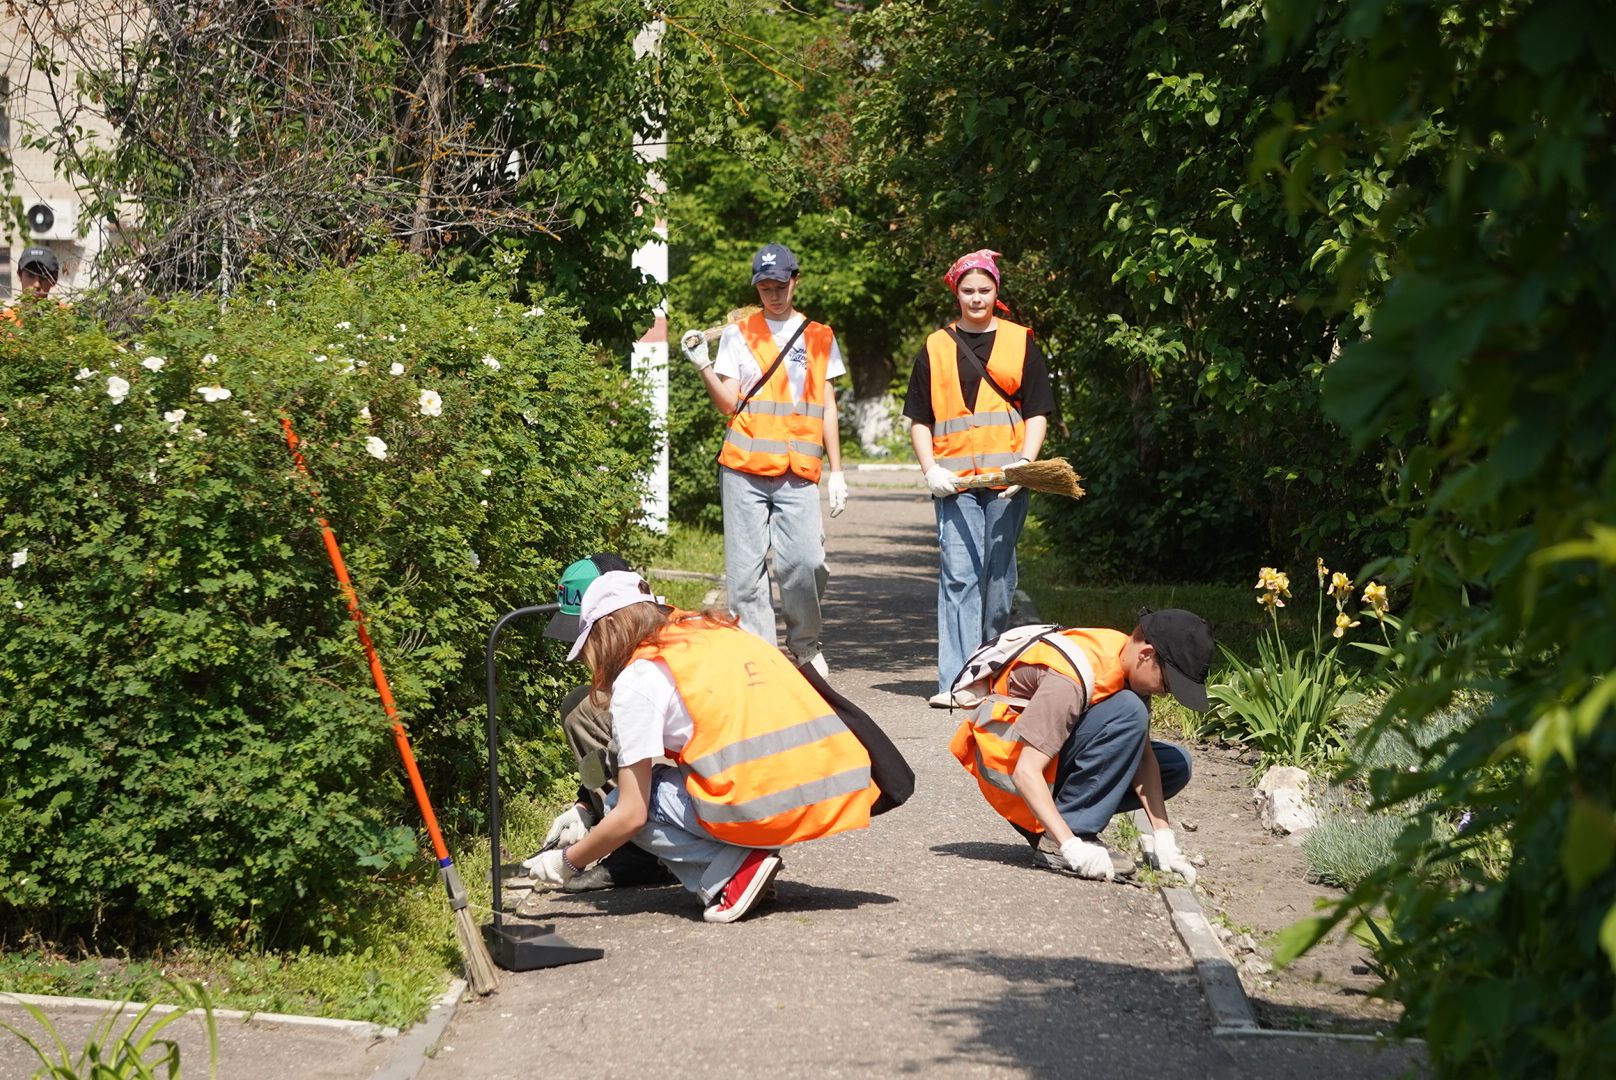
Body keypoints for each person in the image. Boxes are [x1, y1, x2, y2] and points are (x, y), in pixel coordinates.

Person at [524, 570, 880, 923]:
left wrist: (567, 861)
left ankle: (732, 873)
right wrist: (584, 806)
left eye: (589, 642)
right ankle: (745, 862)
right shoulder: (707, 630)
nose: (589, 658)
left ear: (609, 629)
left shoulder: (639, 678)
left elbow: (631, 814)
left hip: (763, 804)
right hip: (823, 787)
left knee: (621, 801)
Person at [679, 243, 848, 676]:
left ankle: (805, 644)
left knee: (806, 563)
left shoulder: (819, 336)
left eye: (780, 285)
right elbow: (728, 403)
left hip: (798, 469)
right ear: (757, 287)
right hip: (743, 467)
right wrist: (703, 366)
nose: (773, 294)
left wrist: (838, 472)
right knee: (745, 575)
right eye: (764, 287)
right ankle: (762, 657)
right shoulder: (738, 334)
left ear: (795, 281)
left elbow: (827, 405)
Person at [948, 609, 1212, 882]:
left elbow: (1144, 759)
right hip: (1014, 776)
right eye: (1166, 685)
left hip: (1047, 763)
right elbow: (1025, 772)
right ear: (1146, 654)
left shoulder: (1126, 663)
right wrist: (1070, 846)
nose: (1164, 694)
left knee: (1176, 765)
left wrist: (1163, 835)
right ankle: (1063, 836)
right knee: (1130, 711)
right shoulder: (1070, 677)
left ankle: (1068, 822)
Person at [902, 249, 1055, 708]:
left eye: (984, 290)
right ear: (956, 293)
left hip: (1007, 481)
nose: (976, 298)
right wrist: (930, 469)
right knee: (959, 576)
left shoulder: (1019, 341)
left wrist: (1025, 465)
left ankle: (990, 666)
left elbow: (1038, 412)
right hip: (955, 482)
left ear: (996, 291)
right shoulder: (935, 346)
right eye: (967, 290)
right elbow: (919, 418)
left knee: (999, 579)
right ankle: (957, 680)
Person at [528, 553, 677, 893]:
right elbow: (614, 748)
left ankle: (643, 851)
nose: (581, 648)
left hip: (717, 794)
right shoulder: (632, 637)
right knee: (582, 703)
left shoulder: (645, 664)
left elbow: (630, 742)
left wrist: (569, 861)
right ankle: (619, 829)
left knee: (584, 707)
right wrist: (584, 805)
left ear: (610, 616)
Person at [3, 246, 61, 324]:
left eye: (43, 276)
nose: (37, 284)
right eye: (30, 275)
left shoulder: (63, 318)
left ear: (54, 279)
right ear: (19, 275)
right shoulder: (5, 321)